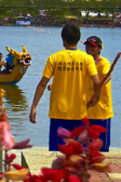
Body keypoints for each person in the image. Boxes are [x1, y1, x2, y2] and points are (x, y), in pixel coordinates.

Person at [28, 23, 106, 151]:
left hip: (58, 113)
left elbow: (43, 84)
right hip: (79, 114)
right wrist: (96, 99)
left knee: (58, 153)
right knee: (79, 154)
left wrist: (34, 106)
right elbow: (98, 83)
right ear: (78, 39)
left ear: (63, 39)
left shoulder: (54, 58)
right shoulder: (87, 59)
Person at [83, 35, 114, 151]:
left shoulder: (104, 63)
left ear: (99, 48)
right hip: (86, 109)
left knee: (101, 148)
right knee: (84, 147)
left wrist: (102, 82)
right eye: (88, 46)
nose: (89, 48)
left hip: (101, 111)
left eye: (93, 46)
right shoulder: (84, 62)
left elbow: (107, 76)